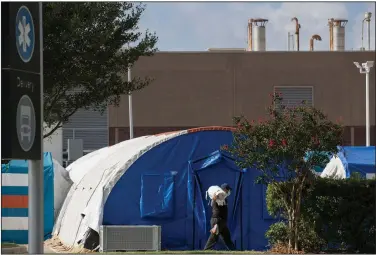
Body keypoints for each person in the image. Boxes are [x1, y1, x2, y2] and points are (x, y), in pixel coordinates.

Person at [203, 183, 235, 251]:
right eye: (228, 189)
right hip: (218, 220)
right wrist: (216, 224)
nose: (229, 191)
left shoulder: (223, 198)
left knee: (227, 237)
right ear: (225, 189)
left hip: (222, 221)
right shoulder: (218, 198)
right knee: (214, 238)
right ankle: (207, 250)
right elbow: (216, 209)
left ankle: (233, 250)